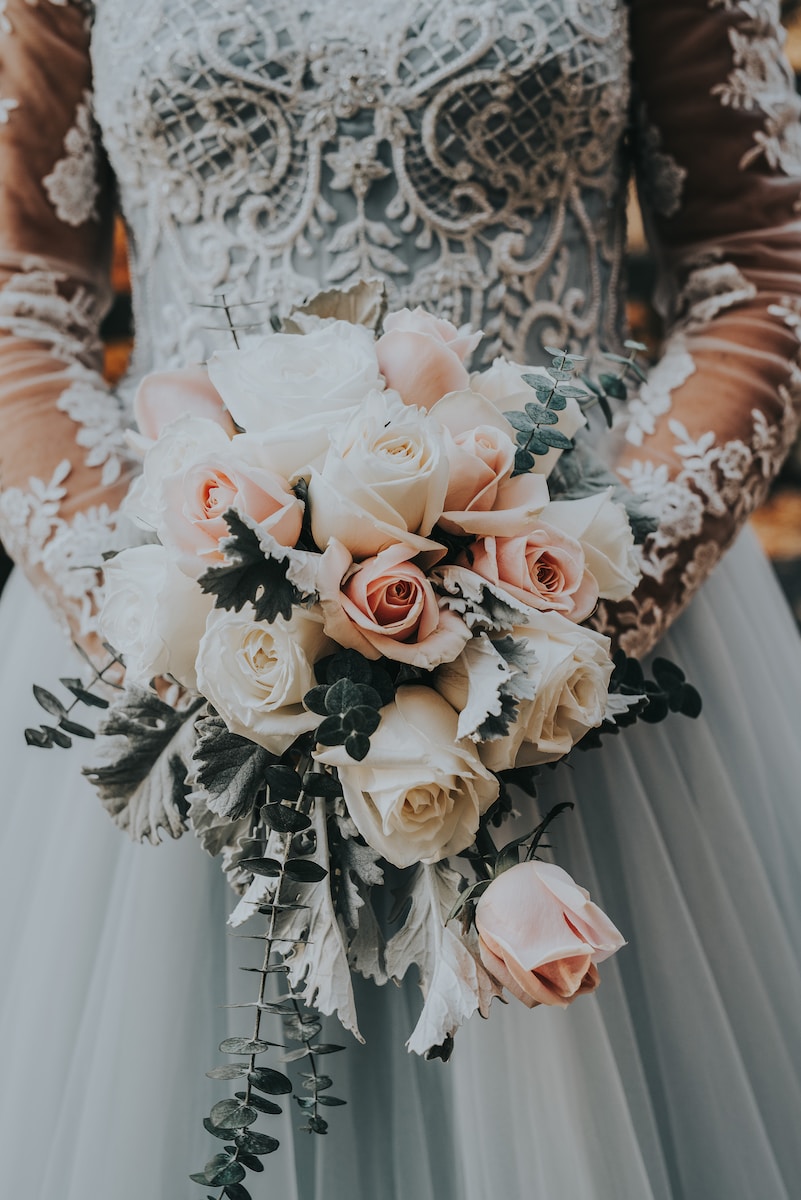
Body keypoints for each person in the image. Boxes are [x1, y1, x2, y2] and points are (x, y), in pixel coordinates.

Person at [1, 1, 800, 1196]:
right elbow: (19, 302)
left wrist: (559, 618)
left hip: (581, 660)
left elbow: (759, 266)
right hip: (185, 651)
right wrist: (164, 623)